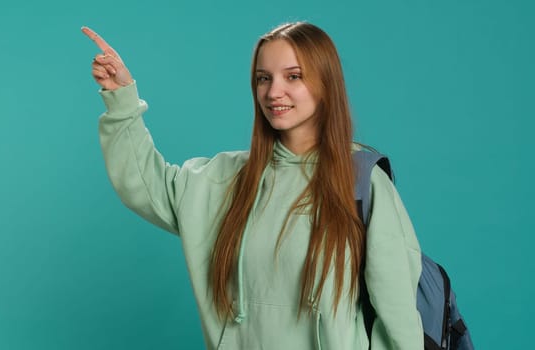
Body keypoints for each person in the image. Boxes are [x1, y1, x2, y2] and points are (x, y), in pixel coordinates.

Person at [82, 22, 424, 350]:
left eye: (294, 76)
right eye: (264, 78)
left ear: (326, 82)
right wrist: (122, 101)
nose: (274, 92)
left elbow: (398, 318)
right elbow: (147, 184)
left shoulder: (361, 182)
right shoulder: (227, 179)